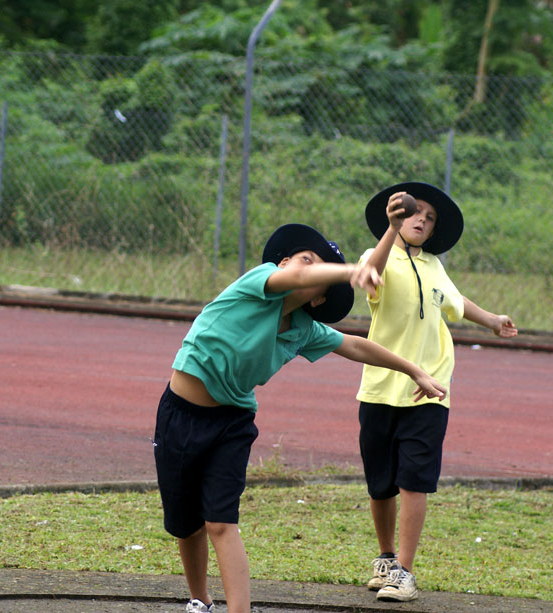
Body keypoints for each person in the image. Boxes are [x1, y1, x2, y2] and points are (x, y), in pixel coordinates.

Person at [153, 223, 448, 613]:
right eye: (305, 259)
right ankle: (200, 600)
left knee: (221, 521)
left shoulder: (305, 330)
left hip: (232, 423)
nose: (310, 268)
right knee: (184, 522)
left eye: (320, 268)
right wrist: (349, 271)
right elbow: (298, 275)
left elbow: (357, 346)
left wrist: (415, 370)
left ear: (319, 299)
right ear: (284, 264)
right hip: (179, 412)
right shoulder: (258, 283)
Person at [358, 182, 518, 603]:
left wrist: (492, 320)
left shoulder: (434, 266)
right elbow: (367, 276)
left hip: (429, 389)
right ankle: (386, 558)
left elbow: (456, 302)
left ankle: (405, 572)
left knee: (414, 479)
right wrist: (389, 231)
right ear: (396, 214)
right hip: (379, 388)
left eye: (429, 219)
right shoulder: (378, 256)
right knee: (380, 483)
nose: (421, 220)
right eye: (414, 212)